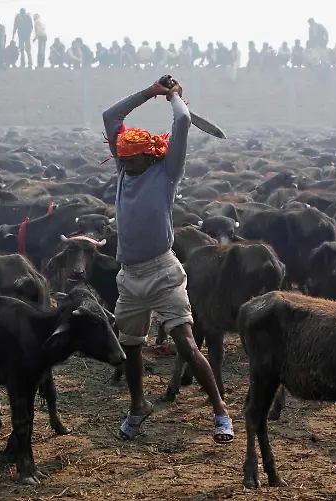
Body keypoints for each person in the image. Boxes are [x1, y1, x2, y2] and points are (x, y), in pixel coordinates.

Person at [102, 78, 234, 444]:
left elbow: (182, 123)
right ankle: (137, 405)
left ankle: (220, 410)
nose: (125, 165)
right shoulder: (124, 170)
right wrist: (149, 93)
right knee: (130, 346)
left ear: (148, 155)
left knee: (186, 343)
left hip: (162, 271)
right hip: (129, 276)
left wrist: (176, 98)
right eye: (121, 159)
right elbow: (111, 115)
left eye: (130, 160)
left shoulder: (166, 172)